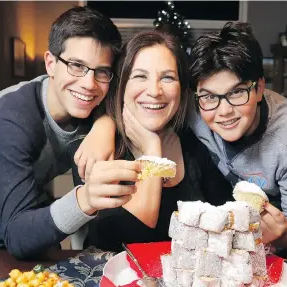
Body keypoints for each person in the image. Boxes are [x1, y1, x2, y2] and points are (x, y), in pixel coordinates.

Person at [76, 22, 287, 252]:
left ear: (259, 88)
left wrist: (282, 234)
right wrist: (105, 125)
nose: (223, 112)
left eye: (237, 93)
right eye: (209, 96)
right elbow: (122, 241)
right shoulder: (105, 148)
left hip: (279, 238)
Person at [0, 6, 139, 259]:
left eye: (101, 71)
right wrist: (84, 200)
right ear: (51, 64)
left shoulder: (92, 107)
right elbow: (19, 239)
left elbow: (119, 101)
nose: (89, 84)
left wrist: (104, 125)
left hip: (27, 203)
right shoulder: (11, 117)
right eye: (76, 66)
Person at [83, 30, 233, 252]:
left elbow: (226, 218)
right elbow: (130, 238)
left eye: (167, 77)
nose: (154, 91)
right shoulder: (101, 148)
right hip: (106, 280)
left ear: (182, 89)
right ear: (121, 86)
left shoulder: (194, 143)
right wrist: (152, 150)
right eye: (140, 76)